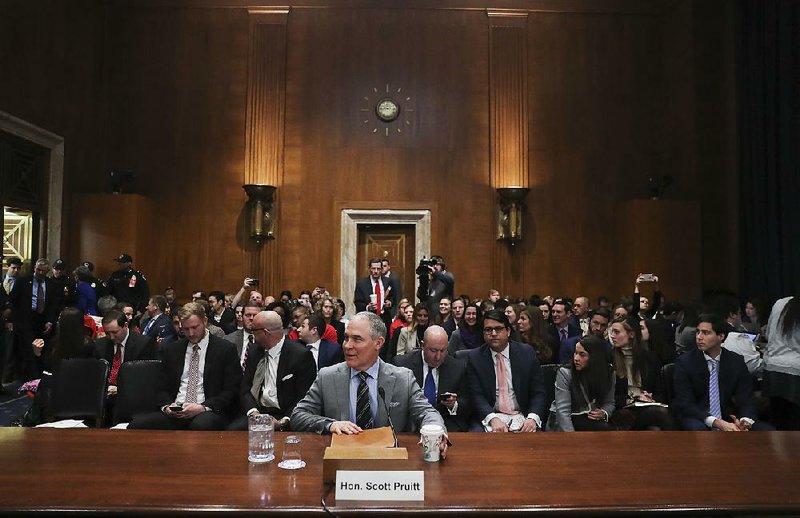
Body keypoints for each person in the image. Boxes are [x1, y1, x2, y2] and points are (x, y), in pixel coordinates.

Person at [290, 311, 448, 458]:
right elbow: (298, 416)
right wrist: (329, 425)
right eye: (346, 338)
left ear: (378, 343)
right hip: (341, 460)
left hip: (389, 462)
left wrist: (437, 433)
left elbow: (427, 413)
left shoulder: (403, 379)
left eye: (357, 339)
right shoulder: (328, 376)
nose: (347, 345)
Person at [129, 302, 242, 430]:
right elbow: (161, 386)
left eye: (195, 327)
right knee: (136, 425)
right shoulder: (173, 350)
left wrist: (203, 407)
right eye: (186, 329)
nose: (191, 333)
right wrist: (167, 407)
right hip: (176, 409)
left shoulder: (225, 349)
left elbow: (232, 390)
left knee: (199, 425)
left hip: (207, 410)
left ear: (205, 321)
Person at [672, 314, 772, 431]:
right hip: (698, 417)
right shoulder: (685, 362)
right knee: (698, 429)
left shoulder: (736, 361)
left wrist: (745, 421)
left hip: (728, 416)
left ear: (721, 336)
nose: (699, 337)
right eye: (698, 332)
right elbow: (685, 404)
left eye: (705, 333)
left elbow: (746, 399)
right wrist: (716, 422)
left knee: (767, 430)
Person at [227, 310, 316, 431]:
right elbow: (245, 388)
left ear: (265, 333)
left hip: (285, 414)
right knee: (232, 432)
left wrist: (283, 421)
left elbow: (304, 397)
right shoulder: (254, 351)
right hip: (257, 412)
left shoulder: (300, 355)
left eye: (254, 331)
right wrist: (253, 412)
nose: (251, 335)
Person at [466, 309, 546, 432]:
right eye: (488, 329)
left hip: (522, 415)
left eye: (498, 329)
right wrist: (492, 419)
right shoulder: (475, 357)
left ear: (508, 331)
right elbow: (476, 395)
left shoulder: (526, 353)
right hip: (490, 416)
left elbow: (538, 392)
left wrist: (532, 418)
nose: (493, 333)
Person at [393, 326, 471, 431]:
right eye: (433, 350)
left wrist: (453, 405)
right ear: (422, 345)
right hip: (411, 423)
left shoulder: (457, 367)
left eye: (443, 351)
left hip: (445, 423)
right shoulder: (402, 364)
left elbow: (468, 402)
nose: (438, 357)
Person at [609, 317, 675, 430]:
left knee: (655, 429)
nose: (612, 336)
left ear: (631, 334)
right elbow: (606, 395)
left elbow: (660, 392)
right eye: (612, 332)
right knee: (660, 414)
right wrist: (628, 400)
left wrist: (651, 397)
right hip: (622, 410)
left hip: (645, 407)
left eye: (617, 332)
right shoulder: (609, 358)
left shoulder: (649, 358)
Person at [10, 258, 64, 380]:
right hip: (26, 320)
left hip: (43, 321)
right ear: (34, 268)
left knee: (42, 350)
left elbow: (53, 305)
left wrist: (50, 321)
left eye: (43, 271)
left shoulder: (51, 284)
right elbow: (14, 300)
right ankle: (25, 377)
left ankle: (39, 376)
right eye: (38, 270)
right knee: (27, 350)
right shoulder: (23, 281)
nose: (40, 273)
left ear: (48, 271)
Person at [547, 335, 615, 431]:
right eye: (575, 353)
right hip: (566, 420)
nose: (576, 358)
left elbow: (609, 402)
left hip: (591, 418)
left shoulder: (609, 372)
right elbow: (563, 412)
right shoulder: (565, 372)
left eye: (582, 355)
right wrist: (573, 439)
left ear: (595, 357)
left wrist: (604, 412)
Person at [762, 296, 800, 430]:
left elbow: (767, 335)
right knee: (795, 425)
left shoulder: (780, 302)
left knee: (777, 423)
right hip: (795, 372)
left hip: (772, 369)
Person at [354, 258, 397, 327]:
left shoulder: (388, 281)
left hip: (385, 319)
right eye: (373, 268)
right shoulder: (361, 284)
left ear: (382, 269)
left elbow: (393, 297)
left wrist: (390, 302)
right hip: (368, 319)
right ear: (369, 268)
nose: (376, 271)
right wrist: (368, 307)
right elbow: (357, 302)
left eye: (378, 269)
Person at [106, 253, 150, 319]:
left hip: (132, 309)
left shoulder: (136, 275)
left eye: (122, 262)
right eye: (119, 262)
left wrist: (141, 310)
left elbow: (145, 294)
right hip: (117, 309)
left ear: (129, 263)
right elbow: (108, 291)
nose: (119, 264)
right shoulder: (115, 275)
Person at [224, 302, 261, 372]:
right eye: (248, 315)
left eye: (255, 315)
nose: (251, 318)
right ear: (242, 317)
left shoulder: (266, 341)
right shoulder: (229, 340)